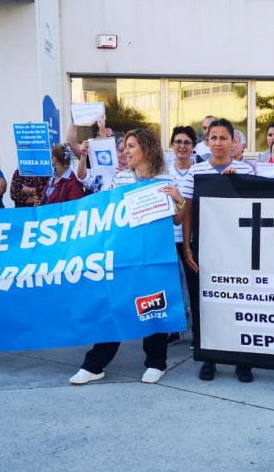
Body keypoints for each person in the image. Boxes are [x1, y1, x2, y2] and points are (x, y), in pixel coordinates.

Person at [70, 128, 187, 386]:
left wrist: (179, 201)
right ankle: (95, 364)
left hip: (156, 256)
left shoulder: (166, 179)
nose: (125, 151)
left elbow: (177, 219)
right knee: (115, 305)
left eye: (131, 146)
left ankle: (156, 362)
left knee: (154, 306)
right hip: (124, 256)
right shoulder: (120, 180)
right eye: (125, 147)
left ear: (147, 148)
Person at [180, 118, 257, 382]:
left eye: (224, 138)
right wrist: (188, 248)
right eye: (213, 138)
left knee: (240, 302)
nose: (218, 143)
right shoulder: (195, 172)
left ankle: (242, 360)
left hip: (238, 251)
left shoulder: (246, 170)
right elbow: (188, 210)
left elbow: (259, 205)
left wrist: (239, 185)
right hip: (204, 248)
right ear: (207, 141)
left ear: (233, 141)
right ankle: (208, 358)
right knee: (206, 304)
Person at [169, 125, 198, 344]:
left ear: (194, 147)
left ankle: (198, 329)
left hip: (192, 238)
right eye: (178, 142)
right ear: (171, 145)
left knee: (194, 284)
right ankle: (175, 328)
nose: (182, 146)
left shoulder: (200, 172)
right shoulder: (163, 173)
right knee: (172, 287)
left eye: (187, 142)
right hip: (168, 236)